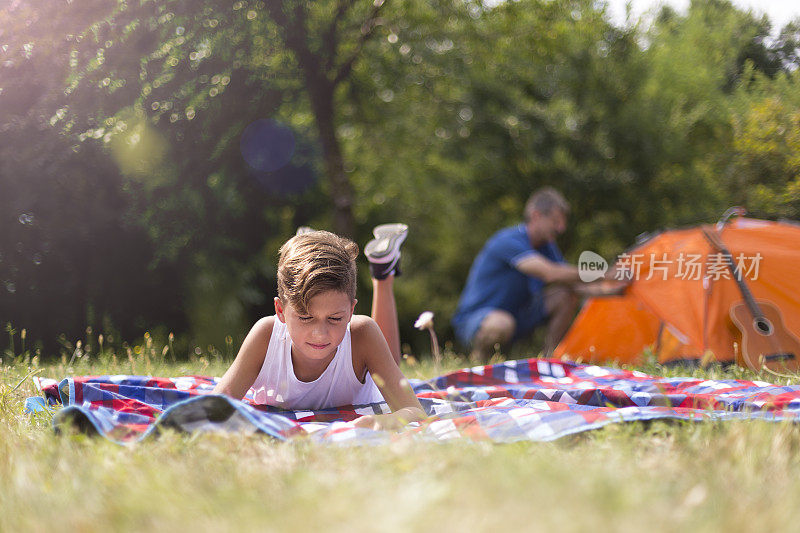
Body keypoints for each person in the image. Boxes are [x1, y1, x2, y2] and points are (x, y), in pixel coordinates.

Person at [213, 224, 424, 431]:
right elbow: (214, 408)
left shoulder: (362, 333)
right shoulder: (266, 336)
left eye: (334, 318)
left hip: (365, 360)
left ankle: (382, 274)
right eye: (305, 317)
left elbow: (415, 411)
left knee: (386, 356)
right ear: (280, 310)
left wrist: (383, 422)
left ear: (351, 310)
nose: (320, 334)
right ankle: (309, 242)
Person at [452, 187, 621, 363]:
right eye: (556, 221)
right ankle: (479, 360)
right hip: (477, 320)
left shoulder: (547, 247)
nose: (561, 228)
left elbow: (575, 284)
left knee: (565, 294)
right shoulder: (507, 241)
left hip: (518, 319)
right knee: (501, 324)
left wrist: (616, 290)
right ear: (536, 215)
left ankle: (550, 360)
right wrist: (606, 273)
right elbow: (551, 273)